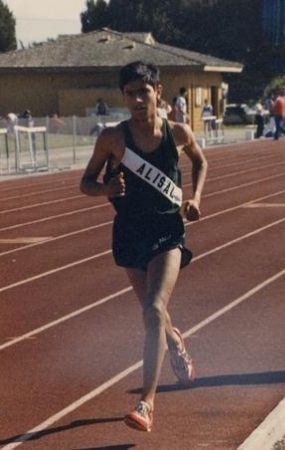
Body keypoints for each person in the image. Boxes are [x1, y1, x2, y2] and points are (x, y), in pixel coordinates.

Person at [80, 61, 208, 433]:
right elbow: (85, 181)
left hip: (167, 231)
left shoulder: (178, 133)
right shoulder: (112, 138)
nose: (137, 99)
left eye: (143, 91)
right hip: (129, 233)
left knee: (153, 309)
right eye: (130, 93)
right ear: (123, 97)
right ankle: (176, 341)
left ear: (158, 92)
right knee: (156, 315)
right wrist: (105, 189)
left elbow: (201, 162)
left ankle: (147, 404)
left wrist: (195, 198)